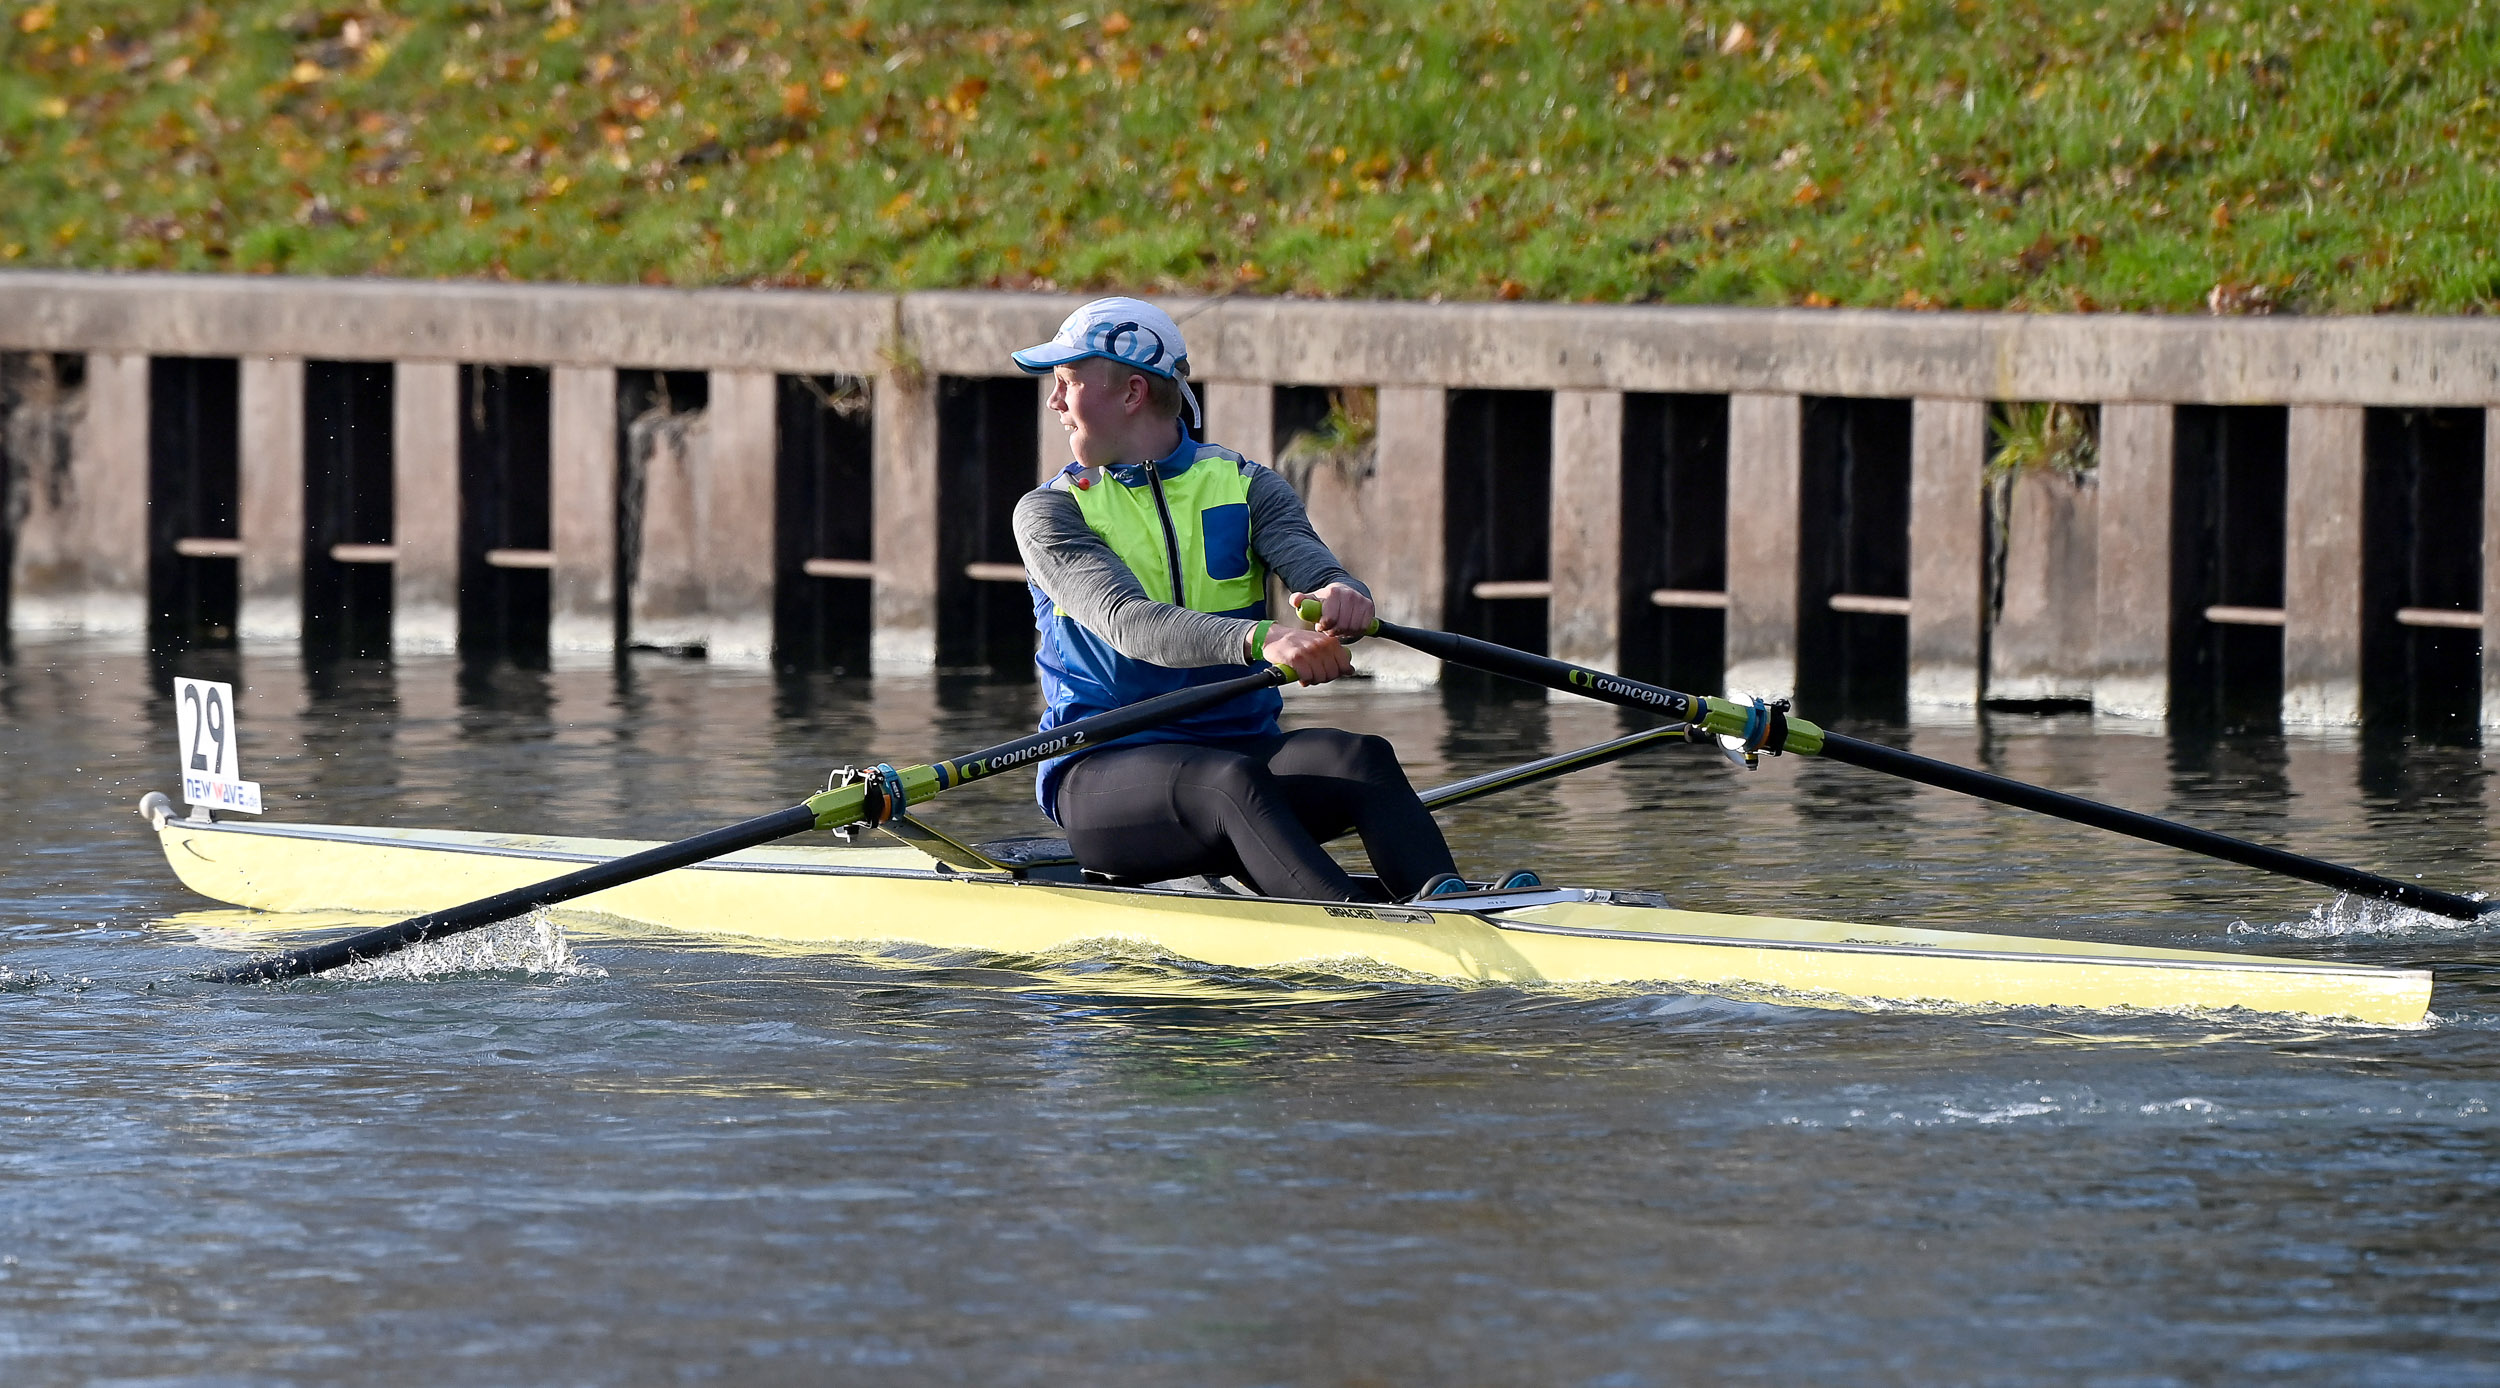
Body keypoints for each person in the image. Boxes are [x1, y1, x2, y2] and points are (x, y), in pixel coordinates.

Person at [1009, 296, 1470, 903]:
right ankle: (1355, 923)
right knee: (1228, 781)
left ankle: (1454, 905)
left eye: (1067, 382)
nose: (1055, 402)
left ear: (1131, 393)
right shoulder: (1052, 511)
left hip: (1238, 756)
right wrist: (1264, 638)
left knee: (1362, 757)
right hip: (1103, 772)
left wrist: (1343, 598)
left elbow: (1318, 571)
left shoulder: (1248, 486)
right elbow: (1129, 625)